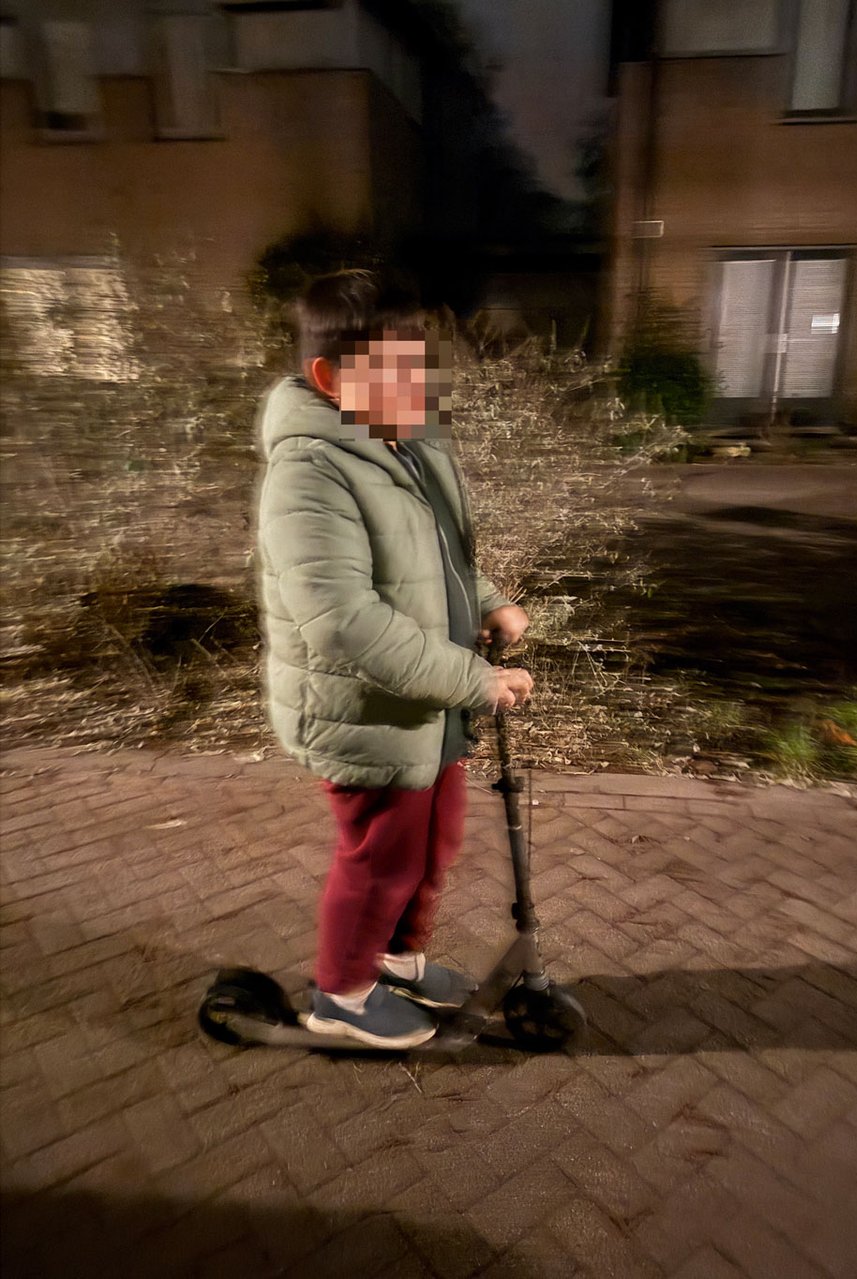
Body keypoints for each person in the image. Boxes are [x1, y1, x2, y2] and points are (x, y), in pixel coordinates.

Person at [255, 270, 534, 1048]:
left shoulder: (407, 442)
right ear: (329, 378)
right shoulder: (310, 471)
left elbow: (443, 555)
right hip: (368, 708)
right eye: (398, 369)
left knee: (433, 842)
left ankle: (398, 961)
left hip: (427, 699)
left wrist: (486, 601)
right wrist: (474, 678)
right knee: (381, 856)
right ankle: (342, 994)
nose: (418, 383)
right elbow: (343, 621)